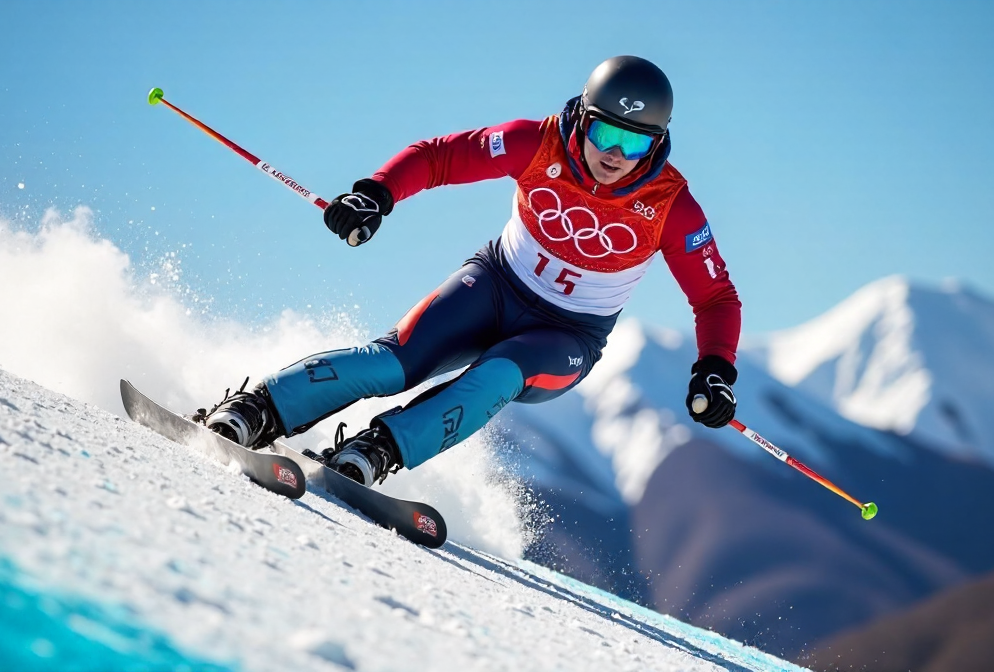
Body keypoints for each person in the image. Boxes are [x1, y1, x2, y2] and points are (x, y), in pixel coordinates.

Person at [197, 55, 741, 487]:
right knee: (393, 362)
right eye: (606, 135)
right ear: (583, 118)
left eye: (636, 141)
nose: (617, 154)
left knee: (499, 375)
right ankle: (258, 409)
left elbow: (716, 298)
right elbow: (439, 157)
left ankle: (376, 452)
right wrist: (375, 195)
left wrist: (715, 369)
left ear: (659, 142)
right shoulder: (536, 142)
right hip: (496, 285)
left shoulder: (672, 206)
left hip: (568, 335)